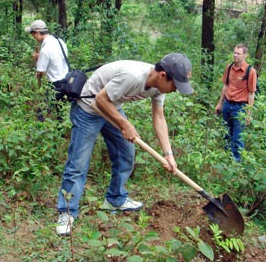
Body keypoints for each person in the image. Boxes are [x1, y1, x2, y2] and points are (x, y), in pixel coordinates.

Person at [55, 53, 194, 235]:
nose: (175, 90)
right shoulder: (133, 76)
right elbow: (100, 100)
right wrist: (124, 124)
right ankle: (67, 212)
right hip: (89, 108)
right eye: (175, 85)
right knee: (78, 163)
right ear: (162, 76)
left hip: (112, 105)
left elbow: (159, 117)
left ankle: (115, 198)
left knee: (126, 152)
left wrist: (168, 154)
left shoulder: (159, 88)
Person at [215, 44, 257, 162]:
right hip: (227, 105)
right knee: (226, 133)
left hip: (240, 107)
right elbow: (225, 86)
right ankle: (225, 159)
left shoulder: (250, 71)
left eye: (238, 53)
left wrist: (249, 113)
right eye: (234, 52)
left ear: (245, 55)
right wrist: (220, 103)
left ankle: (236, 164)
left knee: (238, 137)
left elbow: (251, 93)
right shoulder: (229, 68)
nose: (235, 55)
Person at [25, 20, 69, 121]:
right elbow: (57, 57)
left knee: (42, 109)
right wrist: (40, 57)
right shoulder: (59, 41)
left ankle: (41, 127)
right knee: (61, 111)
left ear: (37, 33)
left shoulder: (45, 50)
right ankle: (61, 131)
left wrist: (38, 82)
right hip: (66, 81)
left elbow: (40, 72)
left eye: (33, 35)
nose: (34, 38)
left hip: (55, 85)